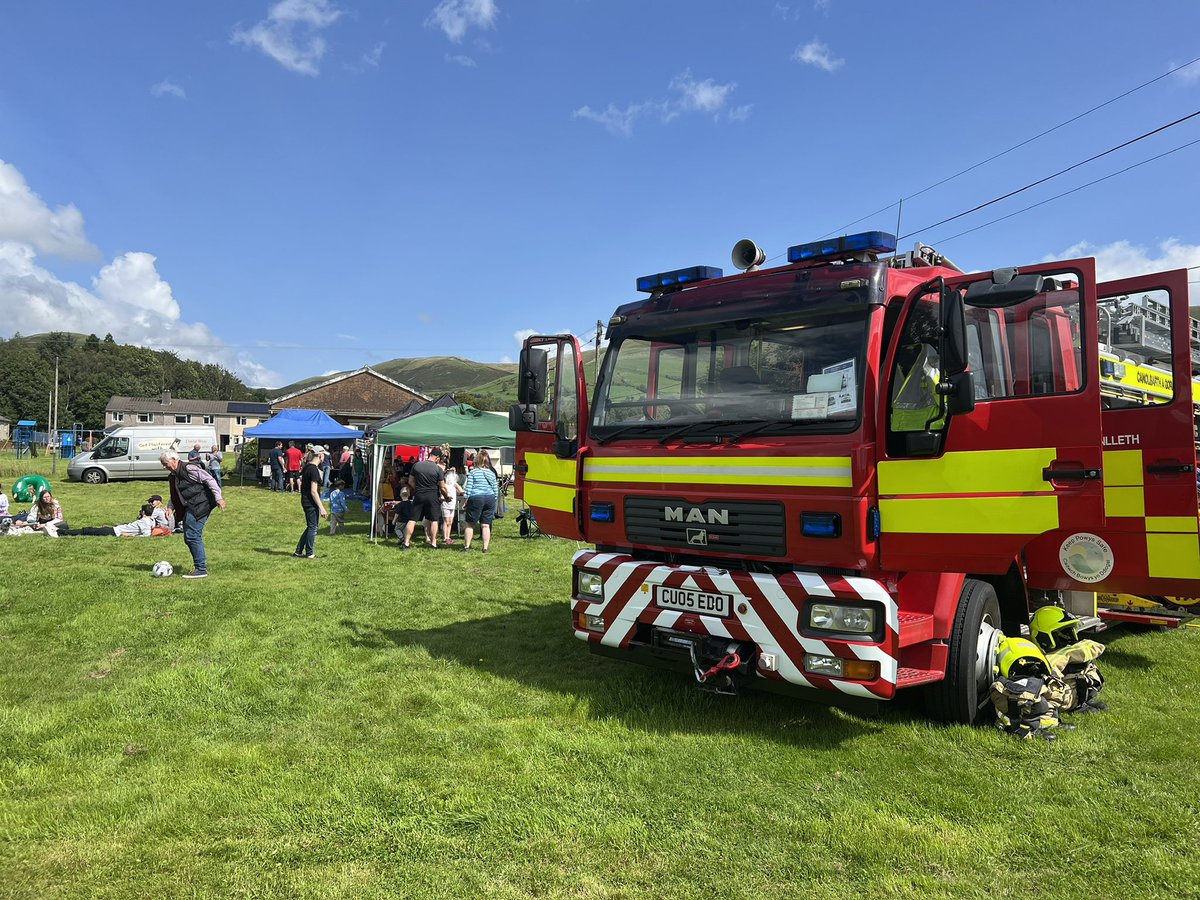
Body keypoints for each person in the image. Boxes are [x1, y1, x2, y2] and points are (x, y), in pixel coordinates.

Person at [160, 448, 226, 579]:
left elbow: (210, 480)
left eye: (165, 463)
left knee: (192, 535)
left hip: (202, 504)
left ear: (174, 460)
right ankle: (200, 567)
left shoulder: (189, 468)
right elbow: (176, 494)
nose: (164, 466)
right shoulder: (174, 475)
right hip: (191, 506)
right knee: (189, 536)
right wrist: (170, 507)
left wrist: (218, 497)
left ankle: (201, 569)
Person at [401, 448, 446, 550]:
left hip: (419, 494)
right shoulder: (438, 469)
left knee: (412, 519)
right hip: (432, 496)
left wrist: (418, 489)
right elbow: (442, 486)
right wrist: (446, 497)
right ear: (437, 458)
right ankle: (434, 543)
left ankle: (406, 543)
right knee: (434, 520)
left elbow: (411, 481)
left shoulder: (417, 465)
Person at [462, 450, 499, 553]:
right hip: (490, 498)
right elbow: (495, 489)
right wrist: (494, 499)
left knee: (470, 524)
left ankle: (467, 547)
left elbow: (468, 488)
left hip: (476, 497)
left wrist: (465, 501)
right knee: (486, 524)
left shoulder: (473, 472)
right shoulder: (491, 473)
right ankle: (485, 548)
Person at [294, 446, 328, 558]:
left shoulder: (307, 466)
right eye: (323, 455)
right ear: (320, 455)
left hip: (305, 500)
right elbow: (314, 491)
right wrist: (321, 507)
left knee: (310, 526)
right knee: (313, 527)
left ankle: (299, 551)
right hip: (310, 502)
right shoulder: (313, 470)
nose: (324, 457)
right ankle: (309, 553)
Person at [60, 503, 156, 537]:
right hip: (116, 529)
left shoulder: (145, 521)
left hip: (116, 532)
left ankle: (63, 532)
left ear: (143, 512)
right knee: (94, 530)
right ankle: (64, 532)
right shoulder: (150, 520)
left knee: (88, 531)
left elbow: (146, 535)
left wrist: (128, 535)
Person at [441, 464, 463, 546]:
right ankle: (445, 537)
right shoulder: (445, 486)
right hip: (446, 505)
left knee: (450, 521)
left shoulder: (453, 486)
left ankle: (448, 536)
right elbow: (442, 496)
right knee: (446, 521)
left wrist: (456, 484)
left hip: (452, 505)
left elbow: (461, 491)